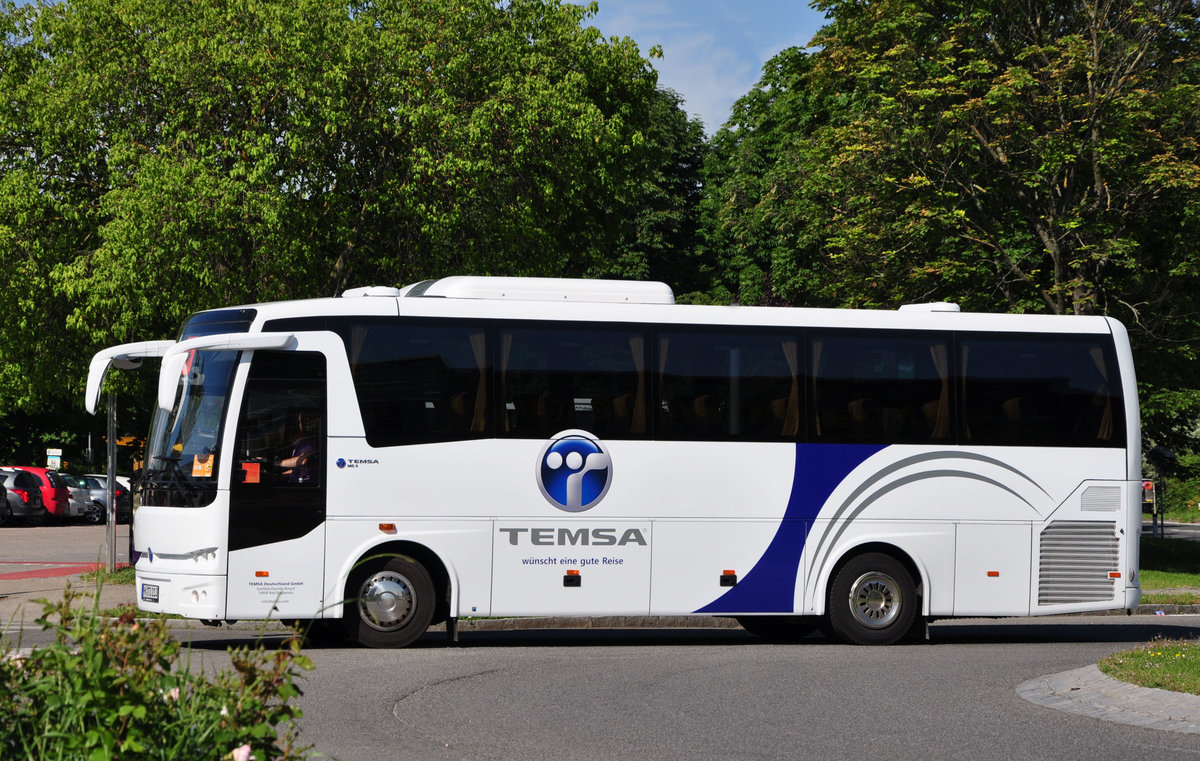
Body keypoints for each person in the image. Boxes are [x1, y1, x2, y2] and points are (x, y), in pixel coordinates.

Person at [278, 411, 317, 484]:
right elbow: (295, 470)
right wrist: (279, 476)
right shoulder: (298, 445)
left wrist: (277, 463)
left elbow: (302, 460)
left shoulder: (308, 444)